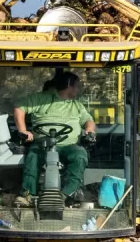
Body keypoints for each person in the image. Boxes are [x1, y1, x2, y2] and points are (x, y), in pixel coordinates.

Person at [13, 71, 96, 206]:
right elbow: (19, 108)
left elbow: (88, 120)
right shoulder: (40, 99)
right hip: (42, 143)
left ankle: (67, 194)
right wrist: (23, 130)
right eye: (77, 86)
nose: (78, 89)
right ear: (69, 85)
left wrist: (89, 130)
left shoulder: (77, 105)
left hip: (68, 145)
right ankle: (27, 195)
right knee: (33, 156)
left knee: (80, 155)